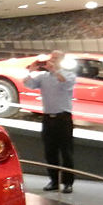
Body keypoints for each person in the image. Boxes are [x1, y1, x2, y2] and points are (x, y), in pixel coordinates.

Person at [23, 50, 76, 193]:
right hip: (48, 118)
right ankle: (53, 180)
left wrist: (54, 70)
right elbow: (28, 84)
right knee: (50, 151)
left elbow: (64, 83)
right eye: (51, 58)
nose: (52, 60)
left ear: (62, 60)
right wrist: (31, 70)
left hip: (63, 118)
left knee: (66, 152)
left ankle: (68, 182)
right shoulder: (43, 77)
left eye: (56, 58)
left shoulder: (69, 75)